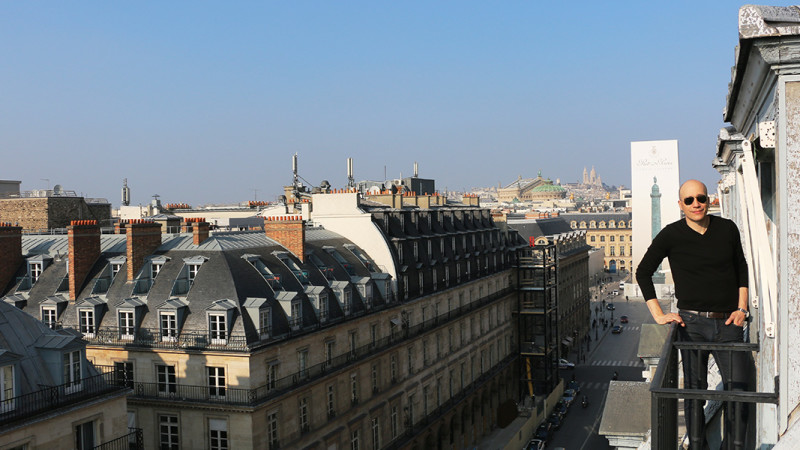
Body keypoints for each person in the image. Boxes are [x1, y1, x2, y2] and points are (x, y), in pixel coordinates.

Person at [636, 179, 751, 449]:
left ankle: (733, 447)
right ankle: (698, 447)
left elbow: (741, 267)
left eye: (700, 198)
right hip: (692, 323)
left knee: (740, 392)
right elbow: (643, 271)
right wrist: (659, 314)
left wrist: (742, 308)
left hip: (728, 321)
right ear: (681, 205)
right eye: (689, 200)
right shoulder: (671, 234)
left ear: (709, 200)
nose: (696, 204)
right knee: (694, 395)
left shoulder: (727, 228)